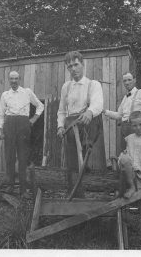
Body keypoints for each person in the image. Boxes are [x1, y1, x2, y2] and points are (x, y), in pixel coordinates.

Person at [57, 51, 104, 196]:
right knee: (72, 162)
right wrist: (60, 126)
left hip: (89, 122)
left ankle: (92, 190)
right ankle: (75, 192)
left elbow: (98, 103)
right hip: (71, 124)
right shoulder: (66, 86)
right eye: (70, 66)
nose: (73, 69)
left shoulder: (92, 84)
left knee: (86, 156)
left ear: (83, 64)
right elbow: (61, 110)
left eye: (76, 64)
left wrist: (90, 112)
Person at [0, 71, 44, 199]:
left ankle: (23, 190)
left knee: (23, 157)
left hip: (23, 125)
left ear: (20, 79)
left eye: (16, 78)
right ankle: (10, 186)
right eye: (11, 79)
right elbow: (1, 114)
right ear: (9, 80)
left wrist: (33, 119)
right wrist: (0, 130)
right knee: (9, 157)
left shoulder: (27, 92)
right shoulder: (5, 95)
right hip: (9, 125)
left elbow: (40, 106)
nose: (14, 81)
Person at [102, 72, 141, 150]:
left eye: (129, 80)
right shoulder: (125, 98)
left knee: (138, 155)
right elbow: (119, 115)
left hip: (136, 130)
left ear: (134, 80)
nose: (127, 83)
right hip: (125, 130)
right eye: (125, 81)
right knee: (128, 156)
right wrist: (105, 111)